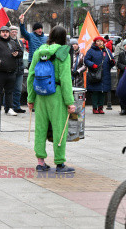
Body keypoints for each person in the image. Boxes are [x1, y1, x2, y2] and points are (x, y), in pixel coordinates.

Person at [27, 26, 76, 174]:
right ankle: (60, 163)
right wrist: (70, 102)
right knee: (59, 128)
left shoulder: (39, 51)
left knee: (40, 128)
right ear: (64, 38)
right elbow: (66, 79)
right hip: (57, 95)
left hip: (41, 95)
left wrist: (30, 98)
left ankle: (41, 162)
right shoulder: (63, 53)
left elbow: (31, 76)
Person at [84, 36, 115, 114]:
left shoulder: (107, 51)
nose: (99, 42)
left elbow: (111, 61)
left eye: (101, 41)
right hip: (95, 74)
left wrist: (112, 63)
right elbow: (86, 60)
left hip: (105, 74)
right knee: (95, 91)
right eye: (97, 41)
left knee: (102, 92)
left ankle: (100, 107)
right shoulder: (91, 51)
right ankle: (95, 107)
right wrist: (92, 65)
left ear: (103, 42)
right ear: (95, 42)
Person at [9, 26, 26, 113]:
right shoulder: (7, 42)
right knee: (9, 89)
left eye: (15, 32)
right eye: (12, 32)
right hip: (11, 69)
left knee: (18, 89)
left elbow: (22, 53)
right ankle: (8, 106)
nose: (14, 33)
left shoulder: (20, 42)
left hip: (20, 69)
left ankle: (17, 106)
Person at [116, 40, 126, 114]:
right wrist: (124, 67)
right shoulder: (122, 54)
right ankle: (123, 108)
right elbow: (118, 63)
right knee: (122, 92)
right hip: (123, 75)